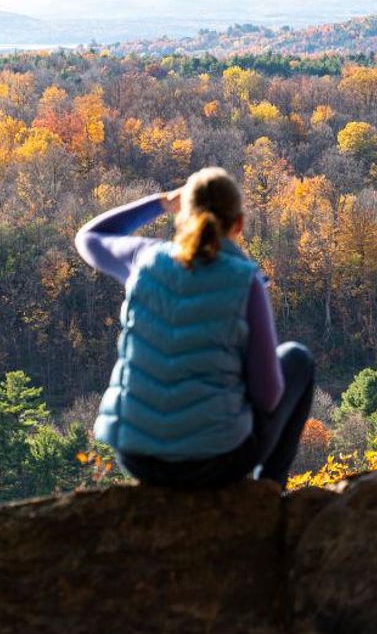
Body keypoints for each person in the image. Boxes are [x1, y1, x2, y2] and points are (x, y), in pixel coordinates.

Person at [74, 167, 314, 489]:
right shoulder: (246, 281)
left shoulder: (144, 260)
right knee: (298, 360)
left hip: (138, 458)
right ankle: (269, 490)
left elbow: (88, 237)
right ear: (239, 224)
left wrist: (161, 203)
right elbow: (268, 396)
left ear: (182, 217)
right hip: (215, 462)